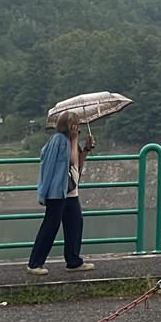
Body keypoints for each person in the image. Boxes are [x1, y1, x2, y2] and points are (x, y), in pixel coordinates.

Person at [27, 112, 96, 275]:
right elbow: (68, 161)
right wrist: (73, 140)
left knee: (75, 224)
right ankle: (34, 263)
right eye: (73, 124)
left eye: (77, 124)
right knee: (51, 226)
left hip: (70, 191)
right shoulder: (59, 140)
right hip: (57, 192)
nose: (76, 127)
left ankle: (73, 261)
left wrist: (85, 149)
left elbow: (76, 165)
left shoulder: (71, 141)